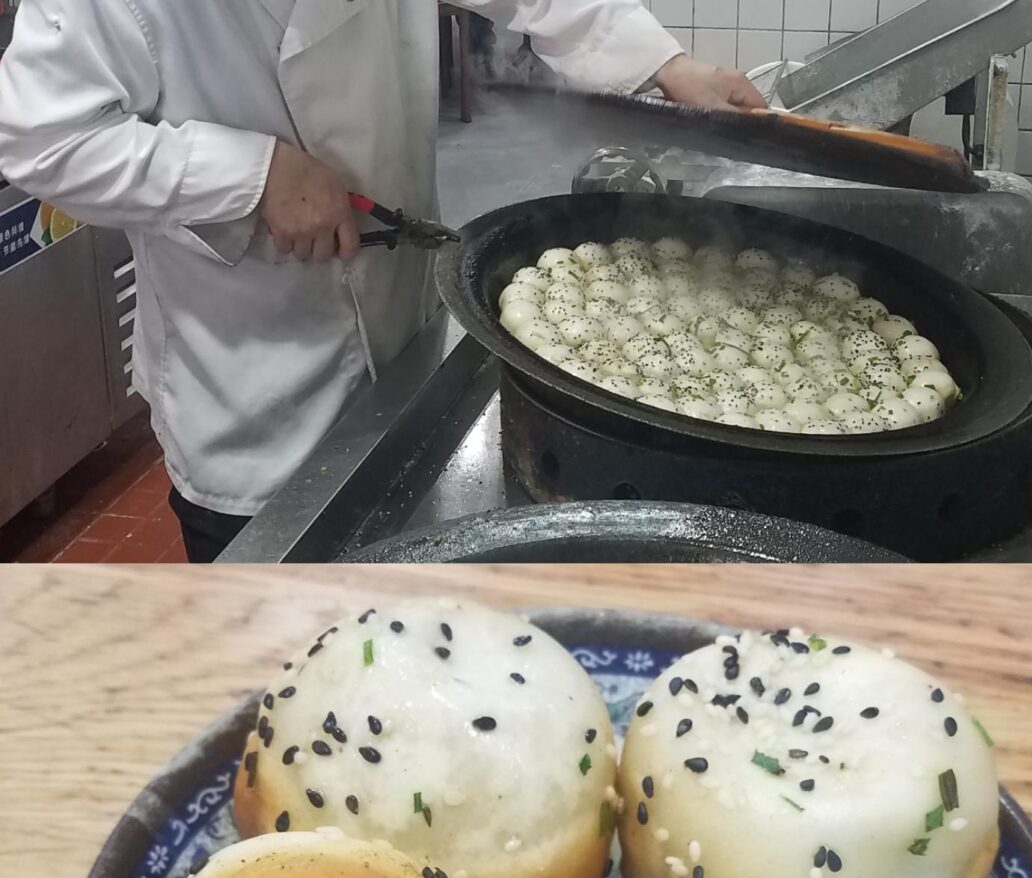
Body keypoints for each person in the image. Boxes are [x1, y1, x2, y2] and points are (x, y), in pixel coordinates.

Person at [0, 0, 765, 562]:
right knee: (278, 641)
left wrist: (664, 65)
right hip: (249, 366)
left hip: (400, 329)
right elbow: (44, 141)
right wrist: (248, 174)